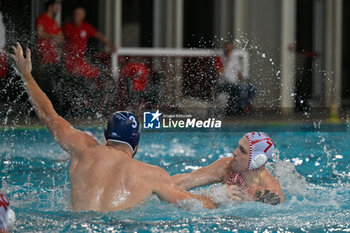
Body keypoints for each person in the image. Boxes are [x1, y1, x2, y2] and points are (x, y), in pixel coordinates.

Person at [10, 43, 217, 212]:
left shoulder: (83, 148)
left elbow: (49, 115)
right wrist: (222, 199)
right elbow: (196, 205)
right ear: (136, 146)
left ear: (106, 136)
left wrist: (27, 76)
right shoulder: (152, 174)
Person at [172, 132, 285, 205]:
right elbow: (187, 180)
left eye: (242, 151)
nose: (234, 152)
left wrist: (221, 200)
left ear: (257, 161)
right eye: (238, 147)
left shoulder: (269, 194)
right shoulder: (228, 166)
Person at [62, 6, 116, 79]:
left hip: (80, 60)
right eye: (75, 14)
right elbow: (59, 37)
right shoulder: (67, 27)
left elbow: (99, 36)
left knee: (96, 73)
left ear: (83, 16)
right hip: (69, 60)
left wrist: (110, 45)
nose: (76, 16)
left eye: (78, 15)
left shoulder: (86, 27)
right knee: (77, 73)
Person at [35, 0, 64, 107]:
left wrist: (57, 39)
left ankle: (54, 109)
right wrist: (52, 36)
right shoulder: (42, 18)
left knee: (55, 87)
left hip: (54, 59)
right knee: (45, 87)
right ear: (51, 7)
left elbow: (61, 38)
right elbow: (39, 32)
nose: (58, 9)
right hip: (44, 59)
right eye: (56, 6)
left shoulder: (54, 22)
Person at [217, 42, 256, 115]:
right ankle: (236, 108)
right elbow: (219, 73)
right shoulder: (220, 58)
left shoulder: (235, 59)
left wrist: (243, 80)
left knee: (252, 87)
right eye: (227, 49)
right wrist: (227, 61)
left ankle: (242, 105)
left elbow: (239, 74)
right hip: (224, 82)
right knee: (237, 88)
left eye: (230, 49)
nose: (229, 51)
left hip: (234, 82)